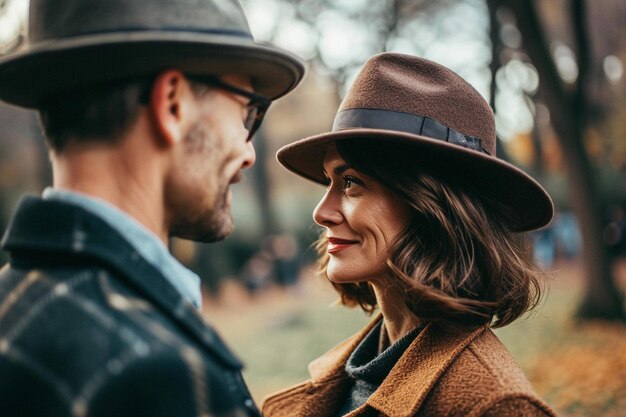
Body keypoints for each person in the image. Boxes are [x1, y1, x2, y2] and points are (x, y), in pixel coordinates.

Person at [0, 0, 304, 416]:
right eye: (247, 112)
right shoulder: (154, 371)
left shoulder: (14, 307)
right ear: (173, 103)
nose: (248, 152)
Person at [263, 53, 557, 416]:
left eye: (351, 182)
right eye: (329, 181)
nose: (321, 213)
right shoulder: (353, 370)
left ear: (431, 207)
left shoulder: (493, 405)